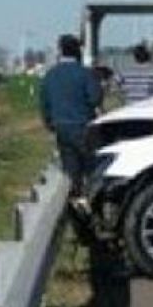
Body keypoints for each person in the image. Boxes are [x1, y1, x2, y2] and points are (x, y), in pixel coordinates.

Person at [39, 34, 102, 196]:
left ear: (60, 52)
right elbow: (95, 98)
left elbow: (44, 104)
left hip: (61, 126)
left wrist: (50, 123)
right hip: (83, 126)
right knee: (91, 169)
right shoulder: (86, 74)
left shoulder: (50, 75)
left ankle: (73, 201)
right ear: (78, 52)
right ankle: (90, 201)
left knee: (70, 169)